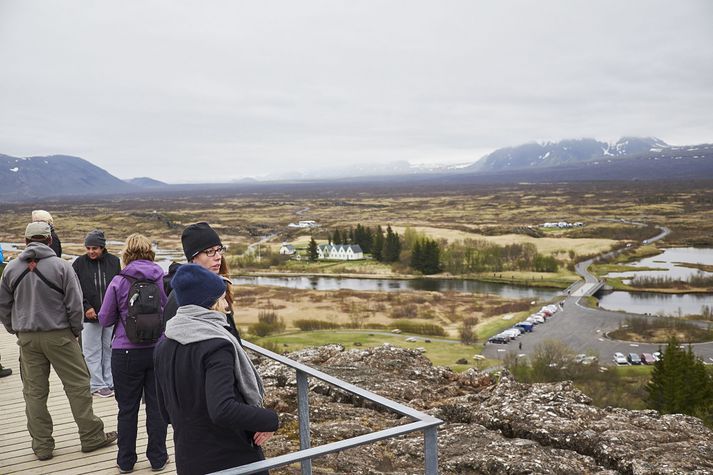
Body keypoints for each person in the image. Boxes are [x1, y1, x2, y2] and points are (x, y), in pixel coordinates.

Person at [0, 222, 116, 460]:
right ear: (50, 240)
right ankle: (91, 436)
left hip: (27, 339)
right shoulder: (62, 267)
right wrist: (75, 330)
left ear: (25, 241)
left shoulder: (11, 268)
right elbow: (75, 303)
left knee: (34, 393)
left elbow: (3, 304)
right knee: (78, 386)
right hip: (60, 335)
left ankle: (42, 446)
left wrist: (13, 328)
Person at [154, 264, 278, 475]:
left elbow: (165, 412)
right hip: (230, 457)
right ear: (208, 304)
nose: (226, 306)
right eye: (221, 299)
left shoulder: (164, 343)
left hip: (189, 457)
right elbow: (222, 409)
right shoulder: (216, 346)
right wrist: (270, 420)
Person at [98, 233, 169, 473]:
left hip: (125, 352)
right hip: (158, 350)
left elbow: (105, 319)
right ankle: (158, 459)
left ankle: (126, 461)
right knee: (156, 407)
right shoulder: (160, 276)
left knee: (127, 409)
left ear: (127, 252)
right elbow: (168, 308)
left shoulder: (119, 280)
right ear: (150, 251)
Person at [163, 222, 240, 340]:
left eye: (219, 249)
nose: (218, 256)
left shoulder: (218, 289)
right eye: (209, 251)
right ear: (193, 258)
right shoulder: (180, 298)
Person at [72, 230, 121, 398]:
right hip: (89, 315)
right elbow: (75, 289)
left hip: (110, 315)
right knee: (92, 350)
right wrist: (86, 307)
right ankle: (96, 384)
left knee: (109, 349)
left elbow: (118, 286)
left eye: (95, 248)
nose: (91, 251)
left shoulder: (114, 261)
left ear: (102, 247)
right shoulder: (79, 263)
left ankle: (110, 381)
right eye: (88, 248)